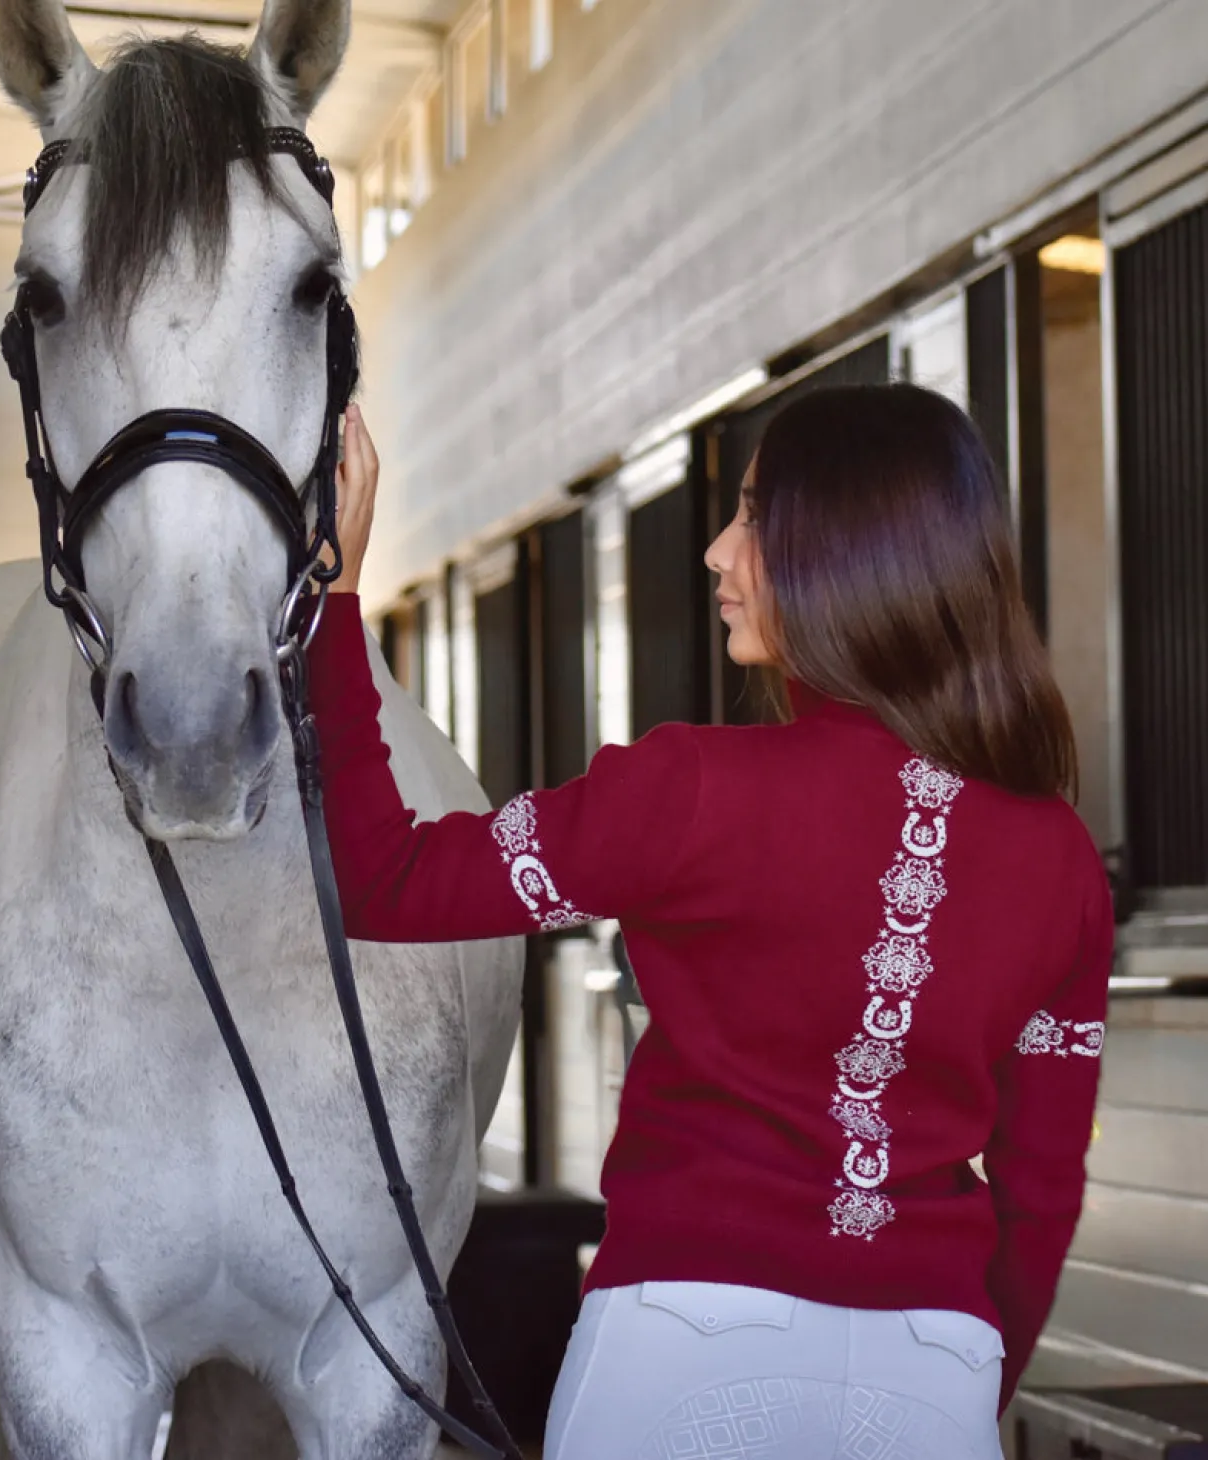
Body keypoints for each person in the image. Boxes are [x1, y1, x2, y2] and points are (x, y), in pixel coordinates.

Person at [313, 387, 1111, 1460]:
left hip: (683, 1344)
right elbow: (1040, 1189)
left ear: (843, 555)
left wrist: (335, 602)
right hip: (933, 1362)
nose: (714, 552)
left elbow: (388, 879)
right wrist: (959, 1376)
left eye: (750, 517)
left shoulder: (688, 789)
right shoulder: (1058, 855)